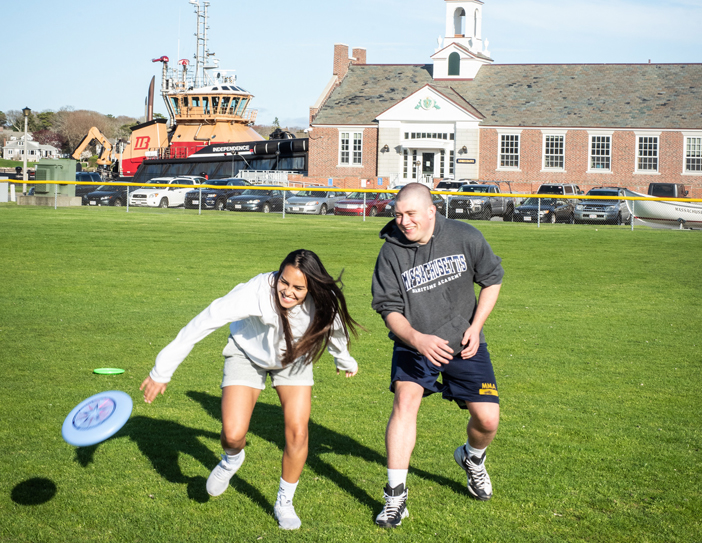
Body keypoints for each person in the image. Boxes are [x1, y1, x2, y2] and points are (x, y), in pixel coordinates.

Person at [140, 249, 360, 530]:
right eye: (284, 282)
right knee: (232, 434)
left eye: (298, 288)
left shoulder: (321, 300)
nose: (288, 292)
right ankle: (232, 459)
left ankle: (284, 501)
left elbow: (334, 329)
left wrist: (343, 359)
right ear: (277, 275)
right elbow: (203, 322)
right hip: (246, 353)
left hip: (294, 358)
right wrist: (162, 370)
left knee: (298, 430)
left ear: (311, 287)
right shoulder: (255, 292)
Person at [371, 183, 504, 528]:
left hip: (464, 341)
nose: (403, 221)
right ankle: (395, 497)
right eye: (398, 214)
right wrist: (416, 338)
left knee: (488, 419)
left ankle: (472, 459)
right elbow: (388, 308)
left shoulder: (465, 236)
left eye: (410, 214)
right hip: (414, 342)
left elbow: (492, 279)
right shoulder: (391, 253)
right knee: (405, 402)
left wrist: (475, 326)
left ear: (432, 211)